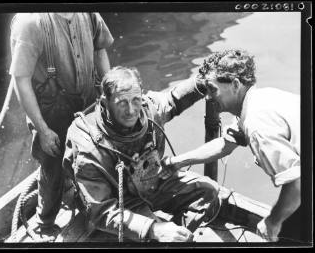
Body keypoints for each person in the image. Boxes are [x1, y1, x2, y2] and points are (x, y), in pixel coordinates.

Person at [62, 66, 221, 242]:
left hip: (153, 182)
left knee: (209, 192)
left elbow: (173, 99)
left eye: (135, 100)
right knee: (155, 238)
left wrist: (203, 81)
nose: (131, 110)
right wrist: (154, 229)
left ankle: (179, 230)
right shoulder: (89, 146)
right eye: (122, 102)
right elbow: (102, 211)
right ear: (105, 102)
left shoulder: (149, 110)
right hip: (119, 202)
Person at [162, 49, 301, 243]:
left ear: (235, 85)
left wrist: (272, 222)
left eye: (212, 89)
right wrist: (175, 162)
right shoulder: (260, 100)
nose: (208, 98)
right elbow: (224, 145)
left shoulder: (256, 124)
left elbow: (297, 183)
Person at [9, 12, 113, 241]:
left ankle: (88, 202)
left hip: (86, 104)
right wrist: (43, 130)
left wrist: (110, 95)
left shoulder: (89, 14)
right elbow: (21, 79)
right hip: (50, 113)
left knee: (94, 156)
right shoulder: (31, 23)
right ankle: (44, 222)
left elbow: (100, 51)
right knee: (52, 167)